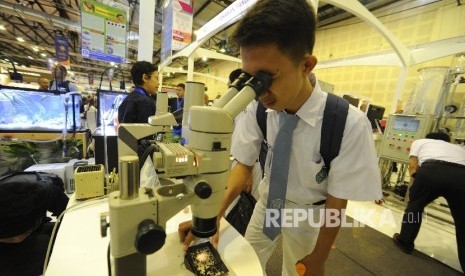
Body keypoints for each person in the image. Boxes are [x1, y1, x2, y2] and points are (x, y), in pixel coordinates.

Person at [181, 1, 382, 275]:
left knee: (297, 270)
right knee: (241, 264)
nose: (258, 91)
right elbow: (243, 166)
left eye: (267, 78)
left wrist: (320, 257)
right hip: (267, 204)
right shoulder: (257, 108)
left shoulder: (347, 122)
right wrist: (211, 217)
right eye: (250, 78)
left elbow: (337, 201)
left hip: (309, 214)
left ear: (306, 65)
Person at [392, 132, 465, 272]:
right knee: (463, 220)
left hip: (432, 170)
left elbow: (413, 166)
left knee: (415, 207)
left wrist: (418, 186)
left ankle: (405, 242)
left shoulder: (420, 142)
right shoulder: (459, 148)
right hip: (461, 177)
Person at [0, 179, 69, 276]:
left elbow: (56, 197)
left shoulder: (39, 193)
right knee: (44, 244)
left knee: (62, 230)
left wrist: (68, 221)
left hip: (31, 224)